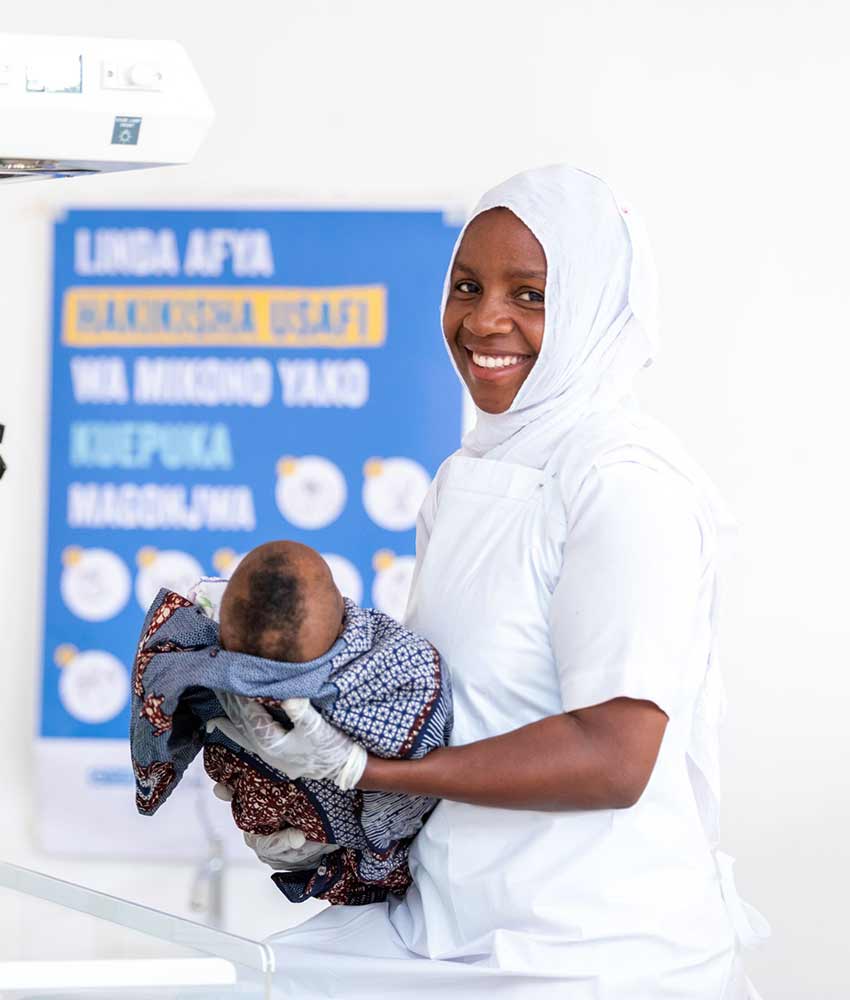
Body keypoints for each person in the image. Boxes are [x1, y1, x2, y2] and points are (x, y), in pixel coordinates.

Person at [240, 165, 769, 998]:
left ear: (595, 307)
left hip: (596, 948)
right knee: (229, 977)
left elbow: (613, 759)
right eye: (467, 285)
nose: (485, 319)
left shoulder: (623, 482)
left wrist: (365, 772)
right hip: (455, 919)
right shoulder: (468, 474)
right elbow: (471, 702)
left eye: (531, 294)